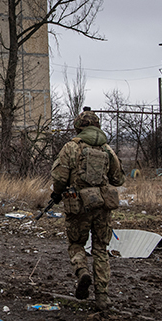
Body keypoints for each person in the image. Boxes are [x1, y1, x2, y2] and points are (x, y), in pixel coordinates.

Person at [50, 108, 125, 310]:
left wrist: (57, 192)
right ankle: (102, 297)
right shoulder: (107, 150)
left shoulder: (71, 148)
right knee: (101, 249)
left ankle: (82, 271)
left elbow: (59, 177)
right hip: (102, 207)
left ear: (78, 127)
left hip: (78, 206)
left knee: (76, 244)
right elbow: (118, 179)